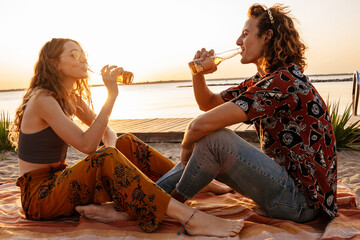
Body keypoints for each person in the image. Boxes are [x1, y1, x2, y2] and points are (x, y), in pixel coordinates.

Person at [8, 38, 243, 237]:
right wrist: (111, 97)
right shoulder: (43, 100)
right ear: (54, 63)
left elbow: (109, 134)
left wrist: (114, 159)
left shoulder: (71, 98)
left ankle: (194, 179)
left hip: (59, 182)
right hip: (40, 197)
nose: (83, 59)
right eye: (74, 54)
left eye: (83, 54)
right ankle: (190, 218)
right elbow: (87, 145)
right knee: (107, 155)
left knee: (125, 142)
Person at [163, 3, 338, 223]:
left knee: (215, 140)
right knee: (210, 141)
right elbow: (208, 103)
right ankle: (156, 196)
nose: (238, 41)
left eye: (245, 34)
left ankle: (168, 204)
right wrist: (197, 73)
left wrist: (186, 150)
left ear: (267, 36)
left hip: (302, 203)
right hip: (287, 190)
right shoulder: (264, 81)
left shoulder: (283, 82)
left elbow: (198, 126)